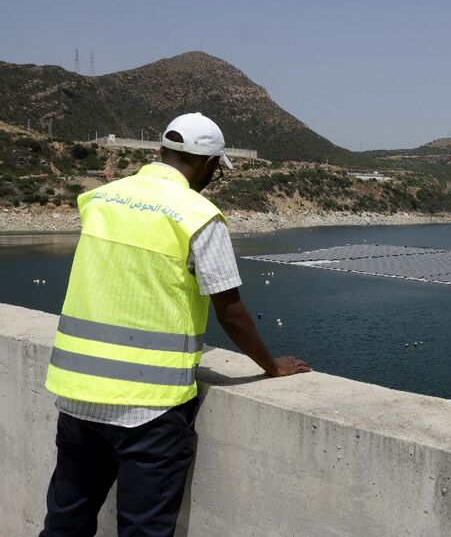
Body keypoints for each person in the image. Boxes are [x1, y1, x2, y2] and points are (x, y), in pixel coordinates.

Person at [40, 112, 310, 536]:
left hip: (77, 395)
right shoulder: (198, 215)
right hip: (150, 407)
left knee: (66, 522)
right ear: (208, 164)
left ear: (163, 151)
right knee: (144, 530)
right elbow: (231, 311)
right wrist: (271, 366)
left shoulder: (101, 198)